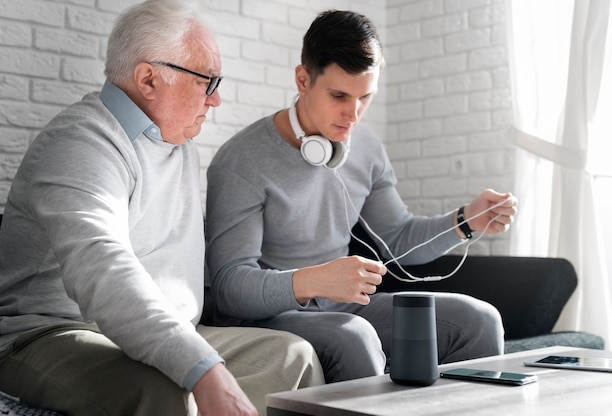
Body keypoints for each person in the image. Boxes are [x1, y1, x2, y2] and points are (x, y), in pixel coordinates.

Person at [0, 1, 324, 415]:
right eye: (207, 80)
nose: (217, 99)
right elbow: (104, 268)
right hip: (53, 333)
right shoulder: (80, 143)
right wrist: (204, 369)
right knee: (162, 388)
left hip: (167, 330)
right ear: (148, 79)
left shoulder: (179, 145)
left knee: (292, 357)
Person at [204, 9, 518, 384]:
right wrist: (314, 281)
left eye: (365, 97)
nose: (352, 115)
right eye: (338, 95)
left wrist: (466, 221)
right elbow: (229, 288)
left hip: (346, 310)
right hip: (271, 316)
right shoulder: (241, 161)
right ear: (303, 80)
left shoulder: (365, 147)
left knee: (479, 319)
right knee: (355, 336)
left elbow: (398, 237)